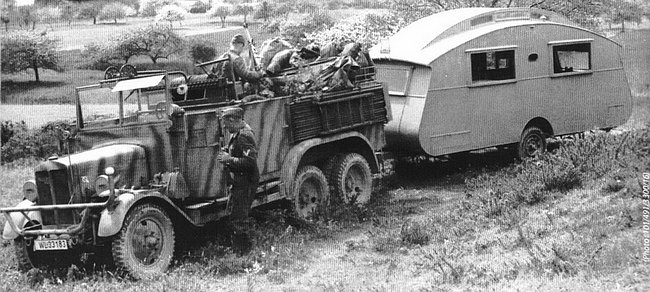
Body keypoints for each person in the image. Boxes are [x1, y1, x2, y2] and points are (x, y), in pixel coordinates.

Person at [218, 107, 259, 254]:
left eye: (226, 123)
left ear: (233, 120)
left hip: (246, 181)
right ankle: (243, 250)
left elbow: (250, 162)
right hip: (240, 181)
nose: (224, 126)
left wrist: (230, 159)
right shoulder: (237, 134)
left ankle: (245, 253)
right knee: (237, 216)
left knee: (239, 219)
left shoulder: (244, 135)